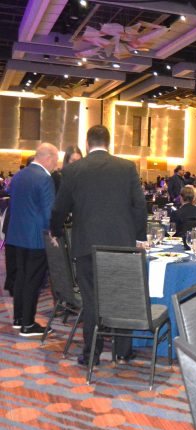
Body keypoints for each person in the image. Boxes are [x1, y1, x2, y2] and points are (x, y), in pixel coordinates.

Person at [51, 125, 147, 366]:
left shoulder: (73, 170)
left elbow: (59, 208)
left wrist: (56, 231)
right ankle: (123, 351)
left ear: (87, 143)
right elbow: (139, 205)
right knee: (121, 296)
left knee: (91, 300)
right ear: (109, 142)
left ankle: (92, 354)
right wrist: (139, 237)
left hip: (87, 245)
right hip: (121, 246)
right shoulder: (126, 167)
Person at [6, 143, 59, 336]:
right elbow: (49, 212)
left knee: (21, 277)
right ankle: (28, 324)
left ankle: (19, 318)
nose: (56, 165)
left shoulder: (19, 175)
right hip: (35, 238)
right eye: (55, 160)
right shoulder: (44, 178)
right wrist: (54, 234)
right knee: (33, 280)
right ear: (48, 158)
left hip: (16, 236)